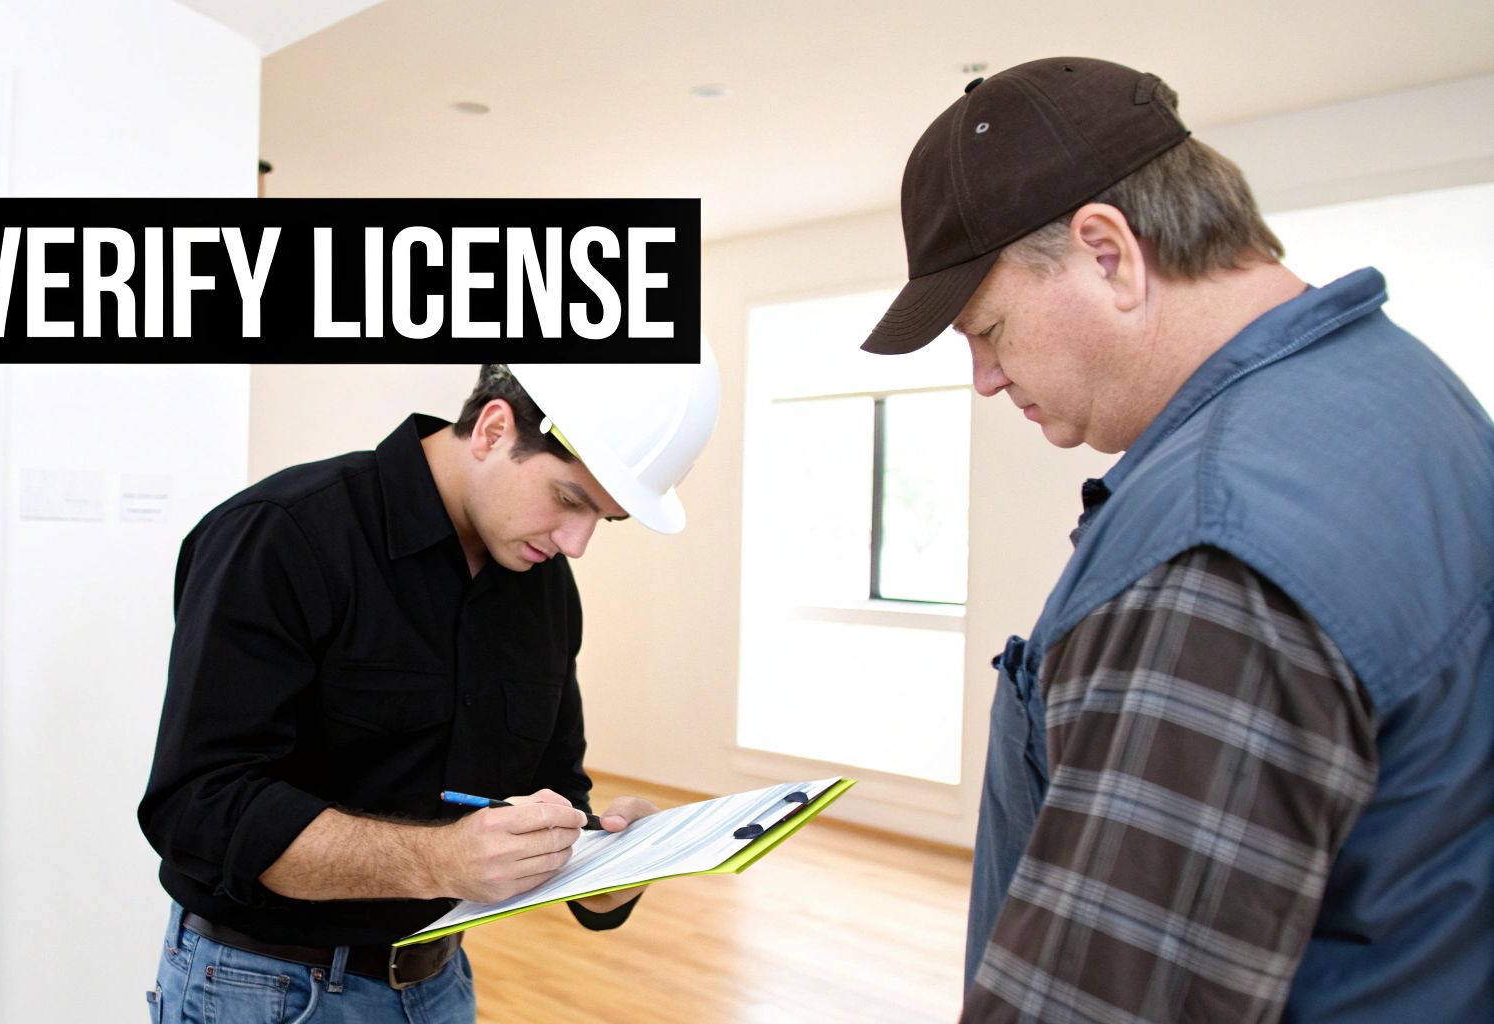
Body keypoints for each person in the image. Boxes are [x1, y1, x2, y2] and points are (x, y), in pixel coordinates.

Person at [864, 57, 1492, 1021]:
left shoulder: (1214, 542)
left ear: (1108, 252)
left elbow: (1108, 997)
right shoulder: (1411, 395)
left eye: (987, 328)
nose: (985, 379)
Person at [138, 350, 720, 1023]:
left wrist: (608, 864)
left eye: (605, 520)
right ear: (494, 429)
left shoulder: (544, 587)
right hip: (262, 991)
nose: (577, 543)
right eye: (569, 499)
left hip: (439, 983)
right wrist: (439, 861)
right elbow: (199, 808)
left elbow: (556, 787)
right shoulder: (282, 533)